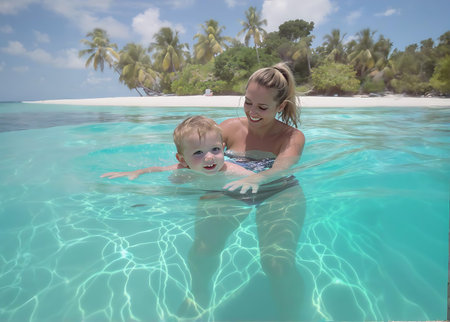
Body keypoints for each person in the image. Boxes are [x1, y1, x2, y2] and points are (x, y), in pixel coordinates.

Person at [179, 62, 307, 320]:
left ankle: (291, 311)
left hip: (277, 190)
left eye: (262, 107)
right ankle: (198, 293)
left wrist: (260, 177)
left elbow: (282, 168)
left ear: (280, 107)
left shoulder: (292, 137)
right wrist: (152, 171)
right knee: (203, 249)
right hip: (232, 188)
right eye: (248, 102)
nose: (253, 112)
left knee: (276, 265)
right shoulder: (228, 127)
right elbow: (196, 156)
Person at [101, 115, 254, 181]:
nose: (209, 157)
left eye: (215, 150)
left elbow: (256, 178)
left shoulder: (230, 169)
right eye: (198, 152)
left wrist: (251, 182)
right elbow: (157, 169)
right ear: (182, 159)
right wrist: (137, 172)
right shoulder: (182, 168)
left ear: (223, 148)